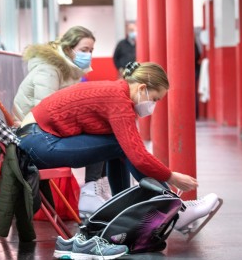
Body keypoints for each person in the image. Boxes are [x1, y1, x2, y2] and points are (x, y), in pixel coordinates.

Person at [15, 62, 219, 231]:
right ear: (141, 89)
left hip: (36, 139)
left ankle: (142, 210)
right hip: (38, 141)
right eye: (155, 99)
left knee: (119, 144)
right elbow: (138, 156)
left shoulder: (117, 93)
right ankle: (176, 210)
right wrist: (171, 176)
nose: (153, 106)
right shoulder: (119, 101)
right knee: (122, 146)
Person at [12, 25, 112, 217]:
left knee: (107, 133)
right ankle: (91, 192)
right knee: (103, 137)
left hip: (44, 133)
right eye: (84, 50)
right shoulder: (49, 70)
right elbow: (45, 113)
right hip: (33, 139)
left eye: (91, 51)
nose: (89, 55)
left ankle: (95, 190)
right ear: (68, 49)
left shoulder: (68, 71)